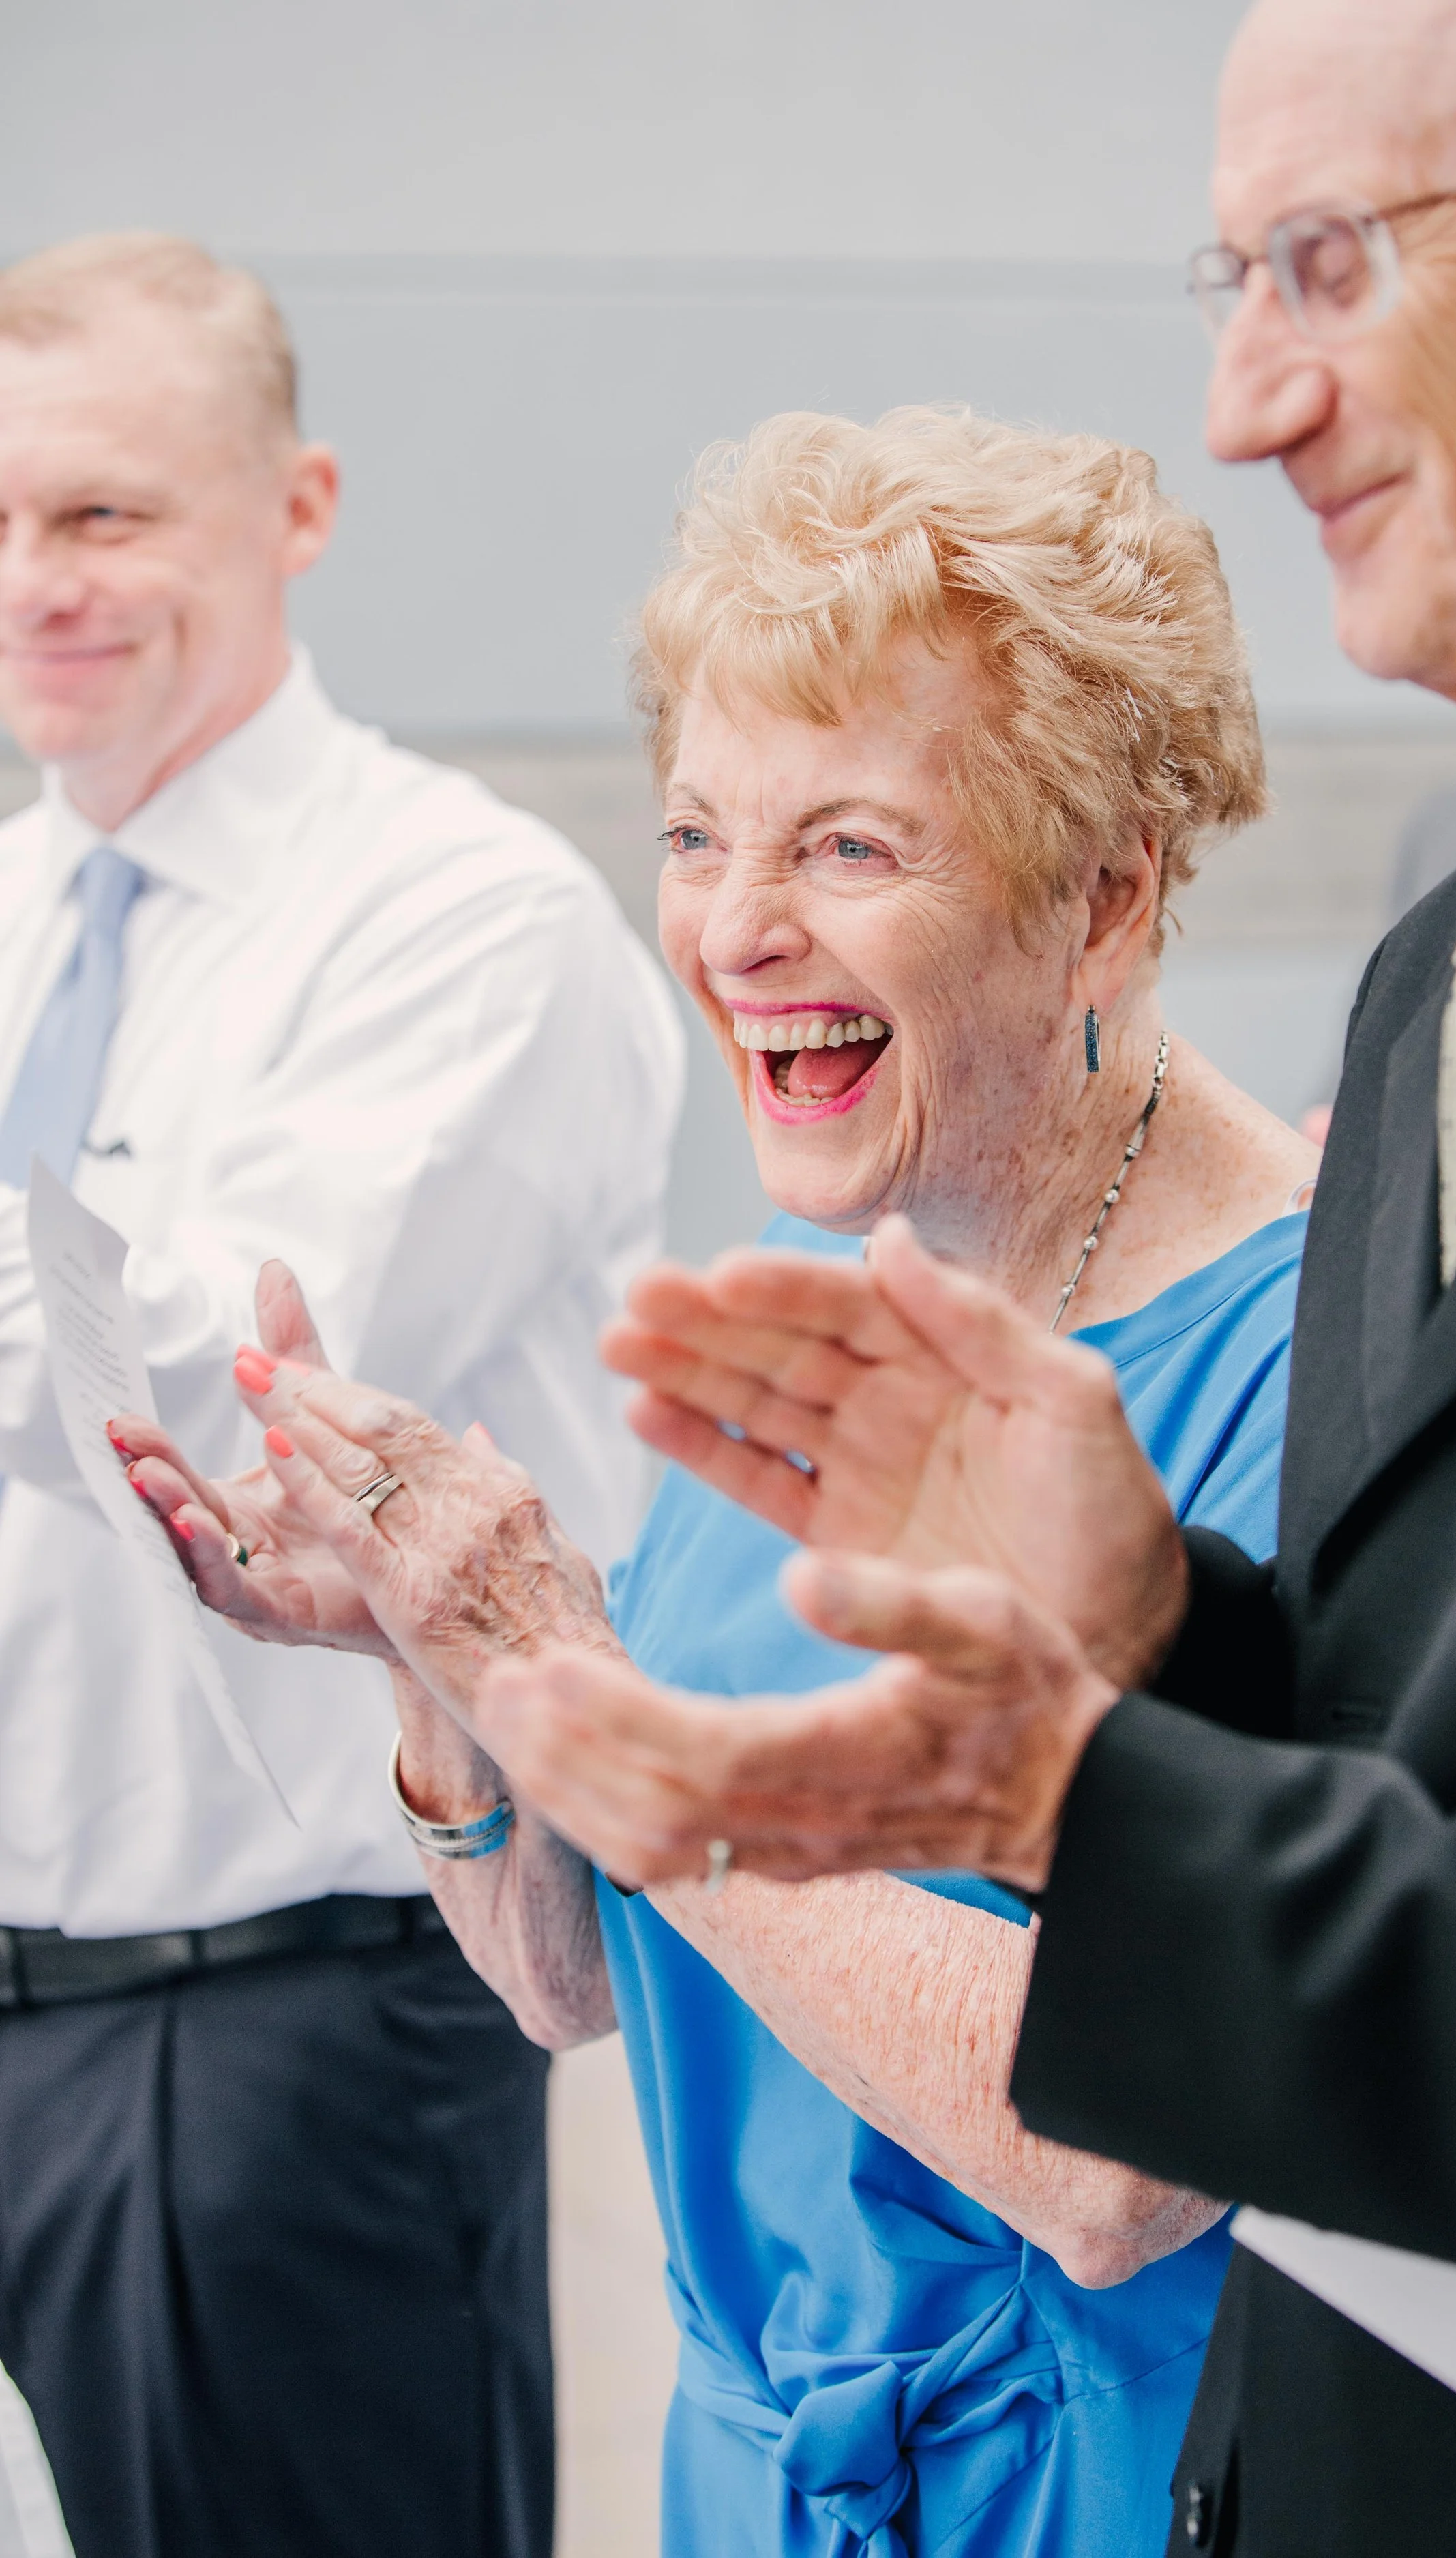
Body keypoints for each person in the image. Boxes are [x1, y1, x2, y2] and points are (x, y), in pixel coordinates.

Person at [430, 5, 1456, 2554]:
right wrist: (1158, 1627)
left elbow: (1157, 2126)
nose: (1244, 398)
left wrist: (1056, 1777)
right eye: (1228, 272)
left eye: (1329, 262)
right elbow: (1419, 1757)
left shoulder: (1341, 1143)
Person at [123, 406, 1320, 2556]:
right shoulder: (797, 1296)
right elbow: (578, 1979)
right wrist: (448, 1657)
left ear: (1104, 894)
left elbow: (1115, 2161)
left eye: (850, 847)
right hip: (756, 2480)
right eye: (697, 835)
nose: (738, 930)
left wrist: (610, 1723)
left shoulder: (1304, 1366)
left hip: (1107, 2491)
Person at [0, 232, 681, 2558]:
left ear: (296, 506)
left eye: (104, 514)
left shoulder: (461, 916)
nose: (36, 581)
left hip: (281, 2033)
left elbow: (217, 1387)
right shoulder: (10, 908)